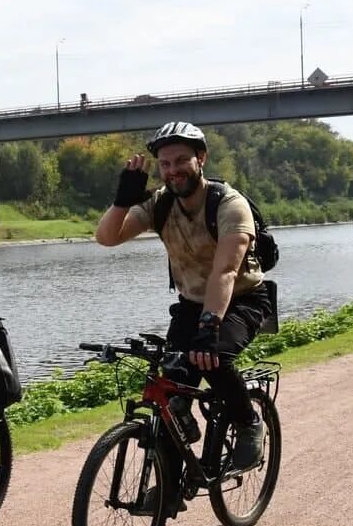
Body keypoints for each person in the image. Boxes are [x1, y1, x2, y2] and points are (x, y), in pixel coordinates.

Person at [94, 120, 273, 474]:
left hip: (243, 299)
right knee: (170, 391)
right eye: (165, 164)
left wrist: (209, 329)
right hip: (191, 304)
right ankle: (167, 491)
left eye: (180, 161)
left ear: (201, 158)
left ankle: (249, 422)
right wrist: (121, 202)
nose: (172, 171)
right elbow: (107, 238)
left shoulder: (229, 205)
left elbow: (225, 273)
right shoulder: (160, 204)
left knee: (213, 358)